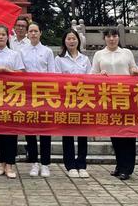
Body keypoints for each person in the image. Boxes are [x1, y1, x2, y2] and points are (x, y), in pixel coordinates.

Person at [91, 27, 138, 180]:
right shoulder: (99, 54)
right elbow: (92, 75)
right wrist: (100, 75)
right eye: (109, 36)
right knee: (115, 134)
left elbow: (132, 69)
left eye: (115, 36)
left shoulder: (127, 53)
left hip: (126, 98)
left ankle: (127, 168)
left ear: (118, 38)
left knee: (127, 134)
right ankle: (119, 165)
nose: (112, 39)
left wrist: (135, 70)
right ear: (104, 38)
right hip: (108, 99)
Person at [0, 24, 25, 179]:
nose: (0, 37)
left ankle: (10, 164)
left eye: (3, 35)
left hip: (12, 97)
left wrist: (9, 72)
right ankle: (1, 162)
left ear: (7, 37)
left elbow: (21, 73)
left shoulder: (14, 54)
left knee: (11, 132)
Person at [55, 29, 92, 178]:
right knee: (68, 134)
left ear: (78, 40)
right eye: (69, 39)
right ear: (64, 41)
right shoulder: (59, 59)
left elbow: (90, 78)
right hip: (67, 100)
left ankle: (82, 164)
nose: (71, 41)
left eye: (74, 38)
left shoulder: (85, 59)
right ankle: (70, 165)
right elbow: (57, 80)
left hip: (83, 100)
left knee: (83, 134)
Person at [20, 22, 55, 178]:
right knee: (30, 131)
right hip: (28, 95)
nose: (33, 34)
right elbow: (20, 72)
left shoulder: (47, 51)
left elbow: (52, 73)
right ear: (27, 34)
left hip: (44, 95)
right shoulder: (21, 51)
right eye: (30, 31)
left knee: (45, 131)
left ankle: (45, 163)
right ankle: (34, 162)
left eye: (36, 31)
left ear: (40, 33)